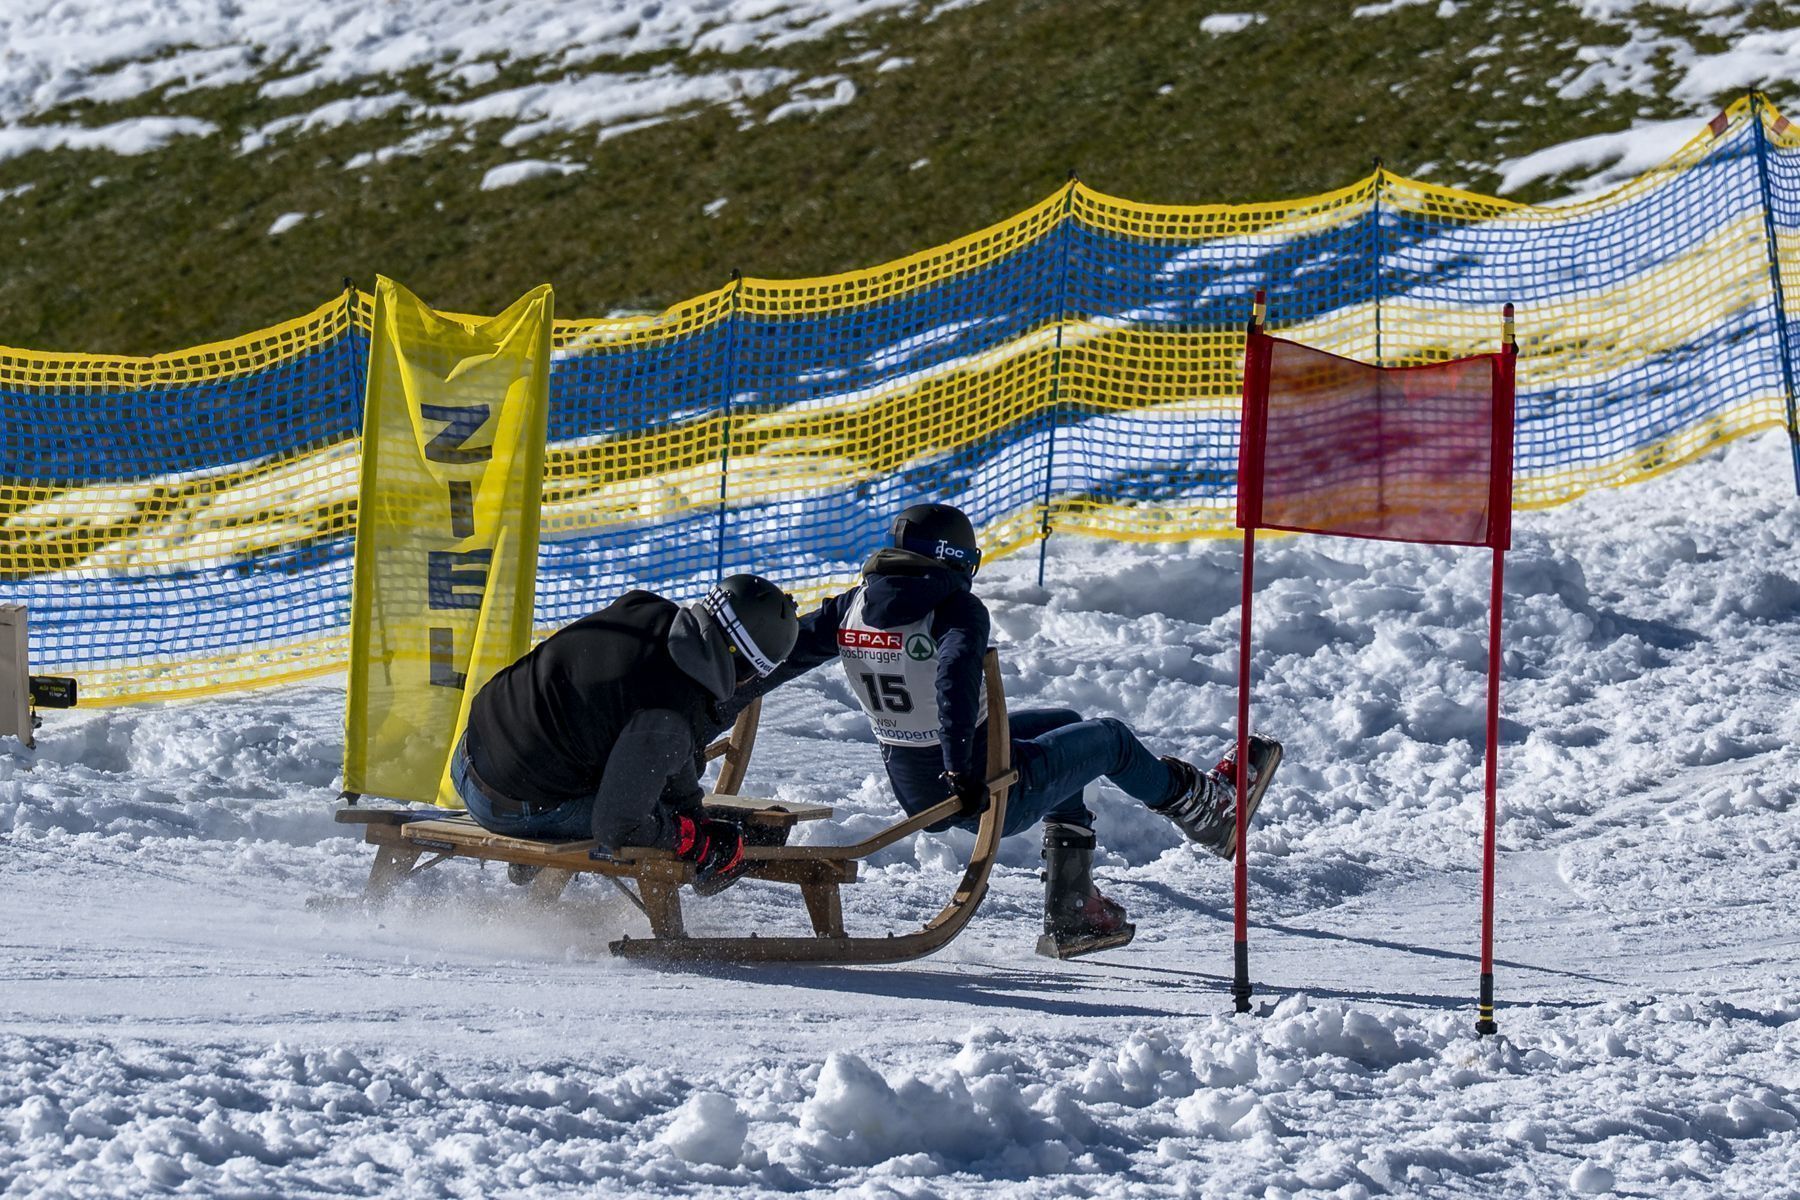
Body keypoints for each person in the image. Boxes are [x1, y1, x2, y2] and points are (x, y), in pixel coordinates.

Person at [750, 503, 1282, 958]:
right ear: (958, 560)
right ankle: (1208, 811)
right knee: (1111, 738)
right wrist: (961, 768)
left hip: (919, 790)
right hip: (982, 788)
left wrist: (721, 695)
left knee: (1066, 726)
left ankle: (1070, 909)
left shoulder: (854, 606)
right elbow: (955, 678)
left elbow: (782, 653)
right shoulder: (955, 607)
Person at [451, 574, 799, 895]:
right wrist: (693, 838)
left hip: (470, 752)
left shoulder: (644, 607)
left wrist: (693, 811)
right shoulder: (670, 714)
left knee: (628, 766)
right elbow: (617, 826)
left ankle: (539, 821)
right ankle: (535, 833)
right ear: (748, 669)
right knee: (641, 814)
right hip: (503, 804)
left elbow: (658, 748)